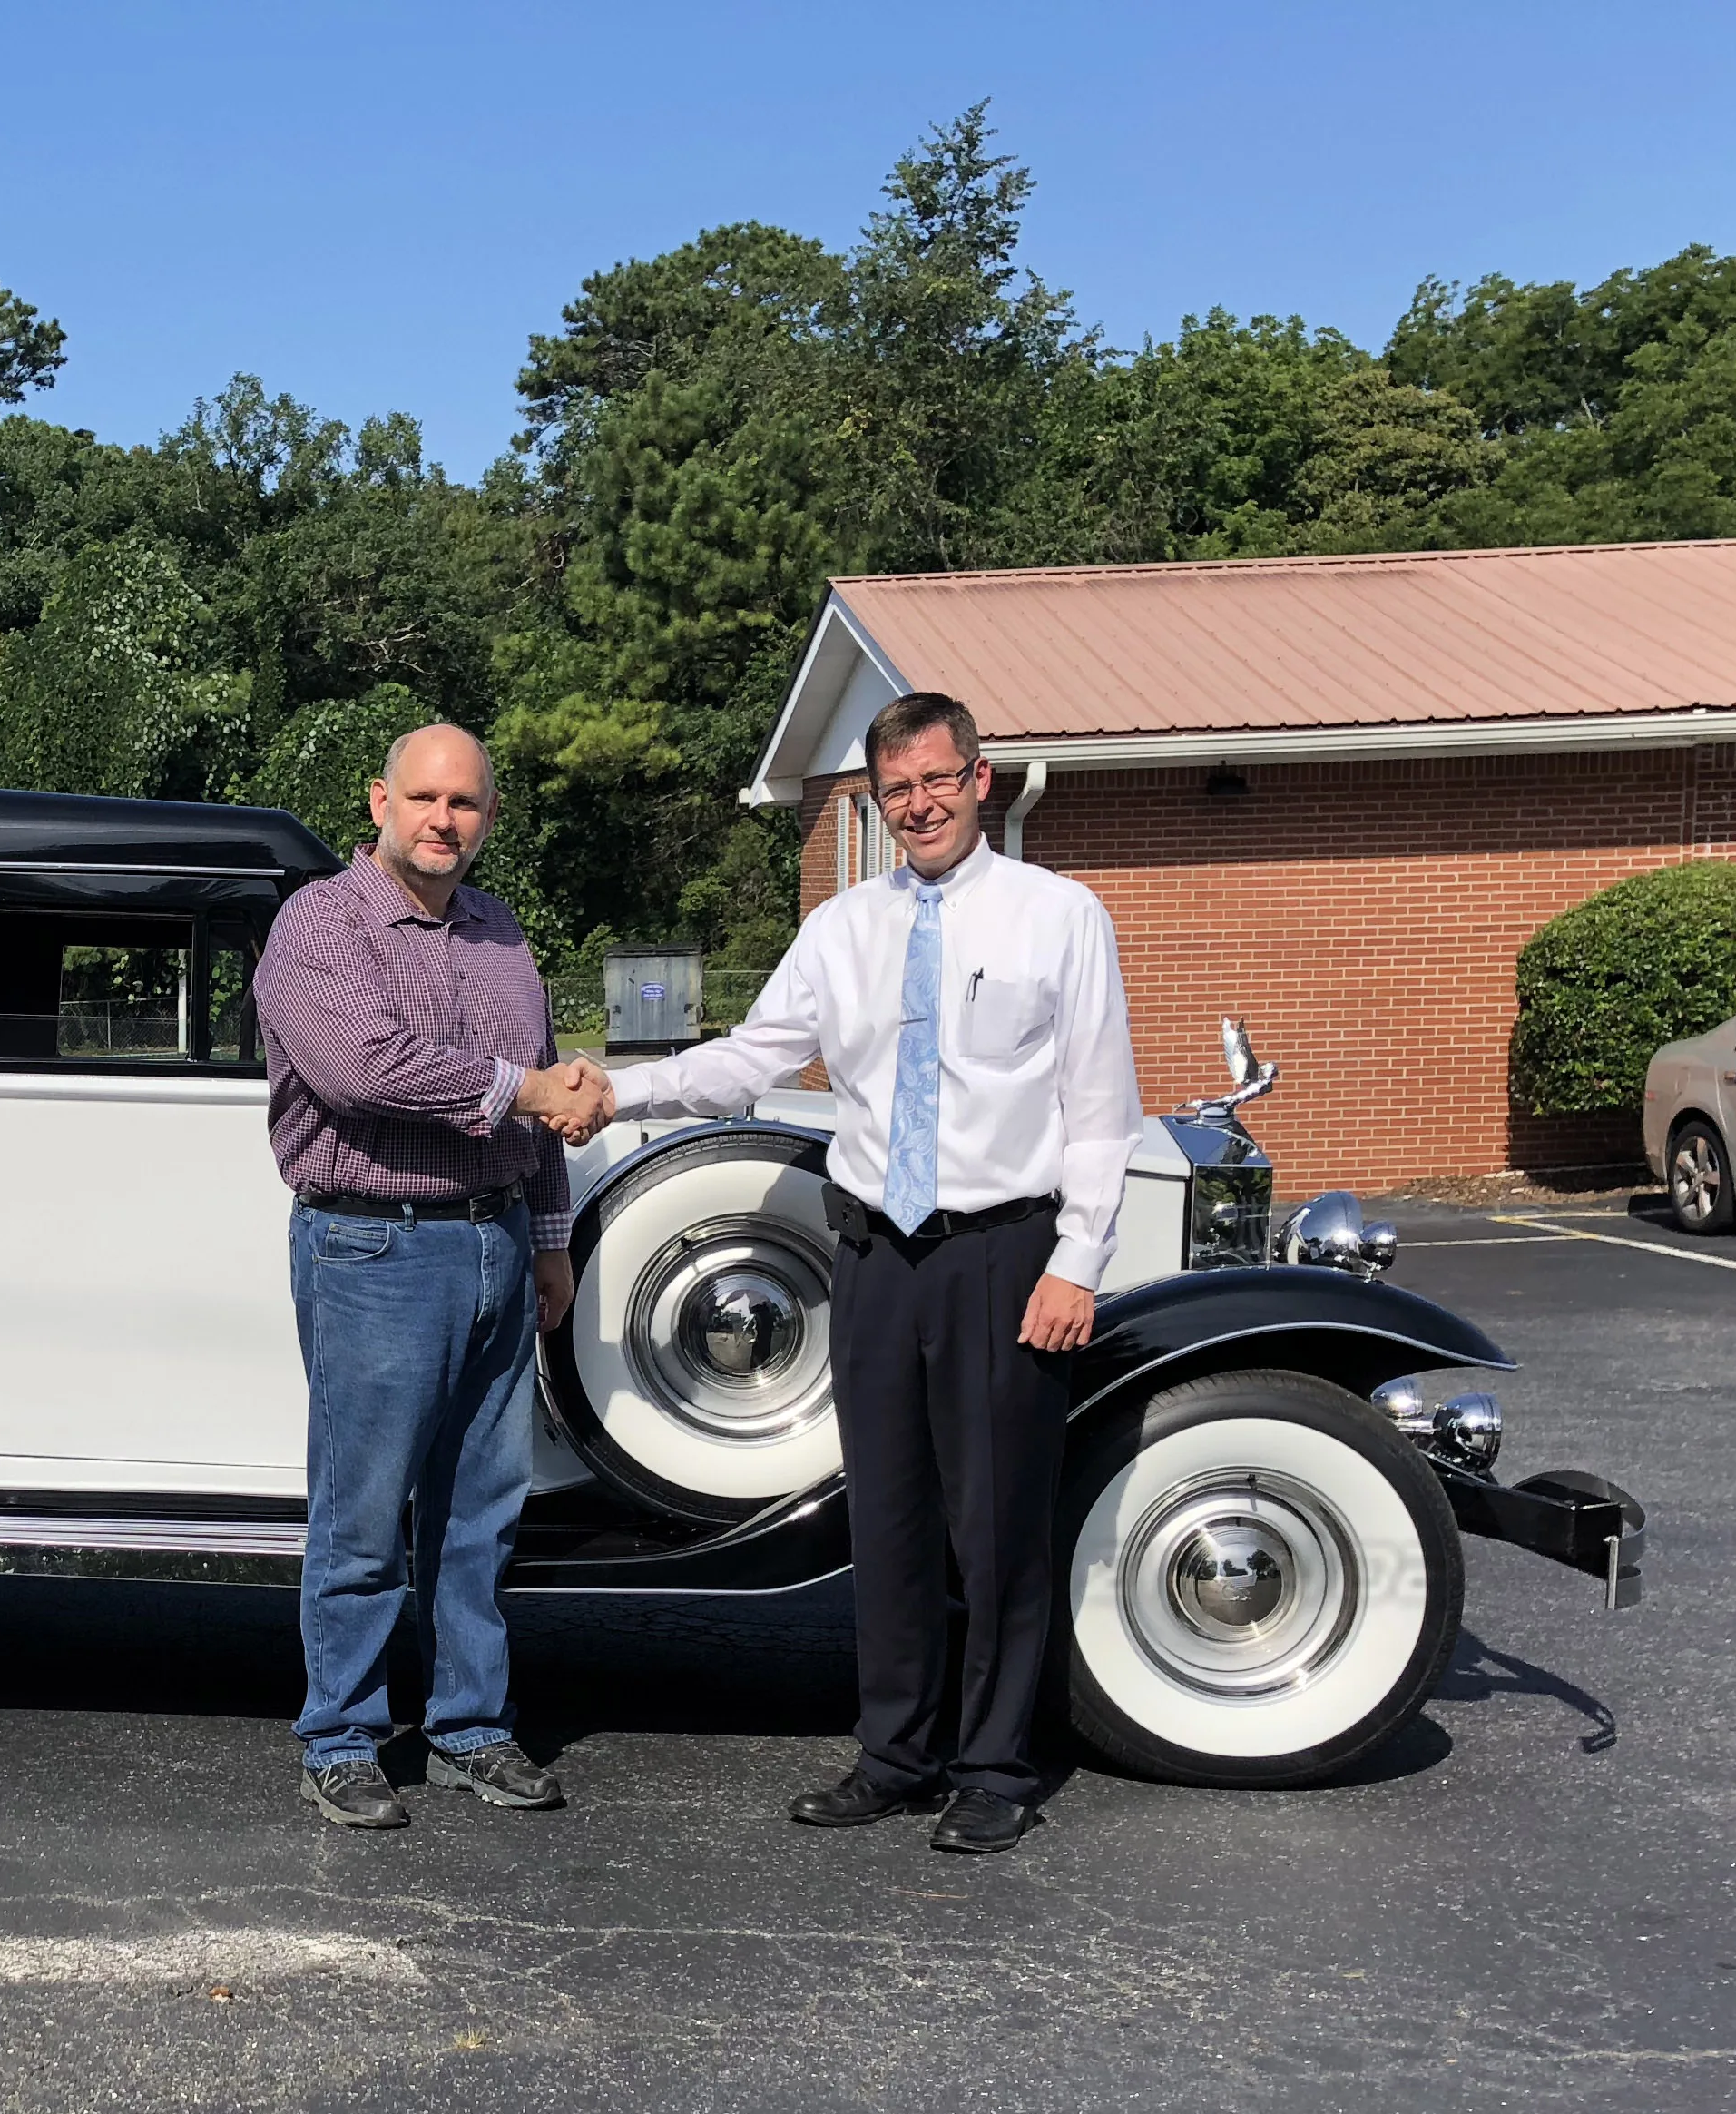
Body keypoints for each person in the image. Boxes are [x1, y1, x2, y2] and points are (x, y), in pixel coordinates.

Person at [536, 690, 1139, 1853]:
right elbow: (752, 1058)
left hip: (1002, 1254)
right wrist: (618, 1087)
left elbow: (1100, 1108)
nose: (918, 804)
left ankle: (996, 1767)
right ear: (878, 800)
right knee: (895, 1519)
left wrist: (1077, 1261)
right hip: (872, 1255)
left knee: (999, 1521)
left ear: (980, 778)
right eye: (896, 789)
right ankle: (896, 1754)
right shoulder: (842, 929)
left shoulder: (1058, 917)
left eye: (936, 780)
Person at [255, 722, 605, 1829]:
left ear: (486, 818)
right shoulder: (321, 923)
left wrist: (549, 1241)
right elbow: (361, 1071)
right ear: (379, 803)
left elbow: (541, 1104)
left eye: (464, 803)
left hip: (497, 1240)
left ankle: (469, 1728)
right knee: (364, 1511)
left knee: (480, 1510)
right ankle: (343, 1737)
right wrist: (528, 1090)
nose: (442, 820)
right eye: (424, 798)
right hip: (375, 1245)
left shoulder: (501, 935)